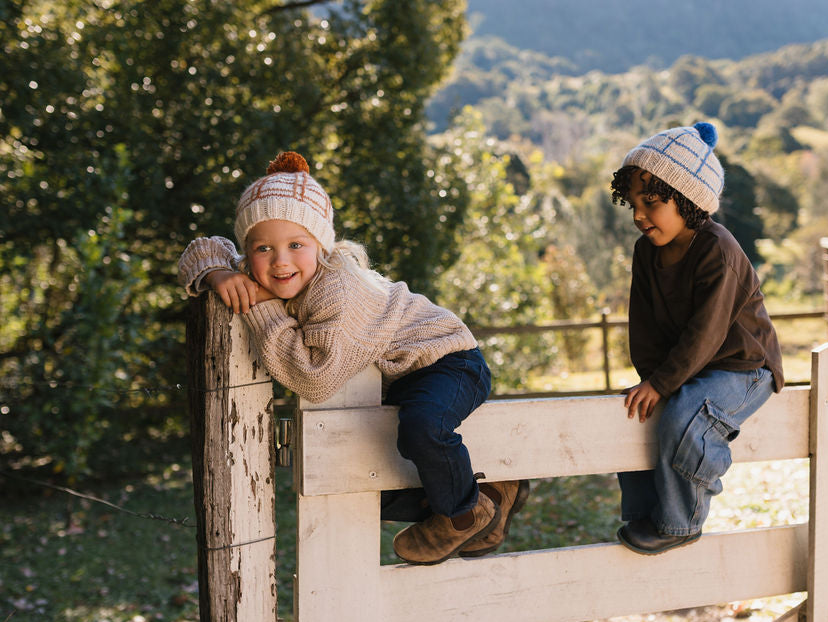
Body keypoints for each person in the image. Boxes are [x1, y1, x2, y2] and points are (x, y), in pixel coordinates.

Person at [178, 151, 529, 565]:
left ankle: (462, 514)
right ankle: (491, 494)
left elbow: (313, 376)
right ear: (248, 251)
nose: (280, 261)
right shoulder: (262, 270)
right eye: (263, 248)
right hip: (401, 378)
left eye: (296, 244)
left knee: (422, 426)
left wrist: (259, 306)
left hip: (446, 359)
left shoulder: (337, 288)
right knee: (357, 472)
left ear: (321, 245)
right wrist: (220, 274)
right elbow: (203, 248)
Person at [609, 122, 784, 555]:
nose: (638, 215)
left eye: (651, 202)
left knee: (689, 414)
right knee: (638, 411)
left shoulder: (717, 249)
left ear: (688, 200)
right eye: (633, 203)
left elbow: (707, 332)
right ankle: (645, 510)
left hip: (744, 366)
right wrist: (653, 380)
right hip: (694, 366)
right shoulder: (645, 252)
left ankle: (680, 522)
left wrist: (666, 385)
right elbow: (644, 325)